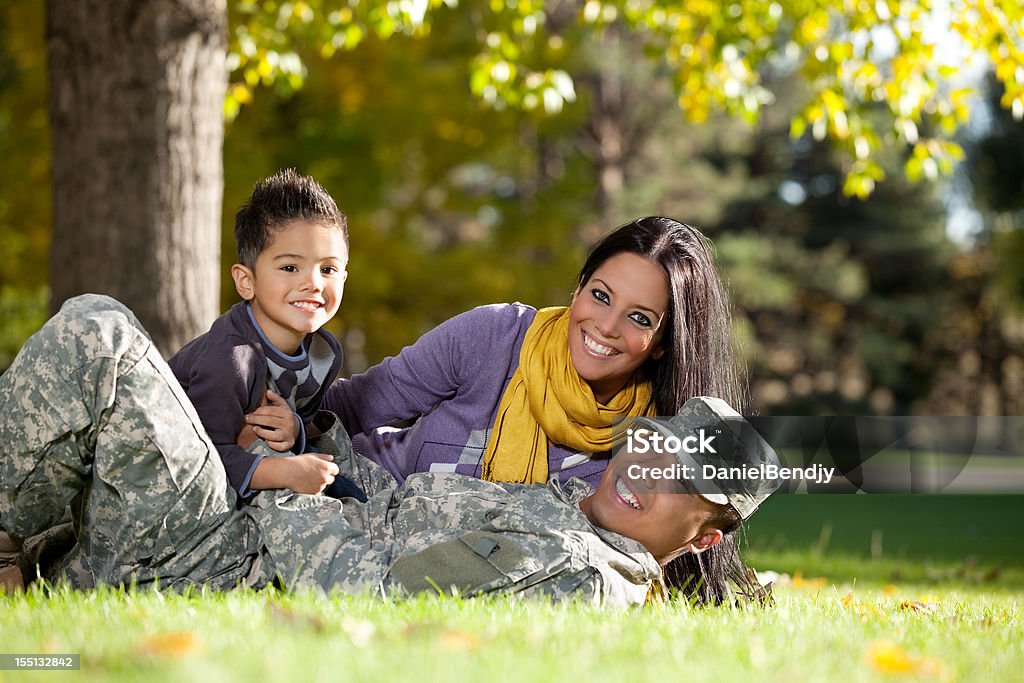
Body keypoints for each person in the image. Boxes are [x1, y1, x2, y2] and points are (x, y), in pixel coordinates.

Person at [0, 295, 779, 604]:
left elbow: (363, 589)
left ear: (704, 535)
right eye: (650, 447)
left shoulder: (576, 568)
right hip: (251, 507)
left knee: (99, 331)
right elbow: (384, 490)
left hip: (225, 550)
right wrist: (295, 437)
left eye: (681, 479)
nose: (645, 472)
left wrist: (281, 482)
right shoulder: (562, 500)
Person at [320, 216, 748, 600]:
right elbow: (347, 407)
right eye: (600, 295)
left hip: (447, 572)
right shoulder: (494, 337)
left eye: (640, 318)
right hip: (353, 500)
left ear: (662, 345)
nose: (606, 325)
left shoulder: (645, 454)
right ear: (578, 287)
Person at [168, 169, 361, 501]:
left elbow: (299, 418)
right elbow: (199, 460)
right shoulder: (229, 359)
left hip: (254, 459)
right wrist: (287, 471)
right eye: (290, 268)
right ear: (246, 281)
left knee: (354, 495)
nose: (314, 283)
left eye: (328, 269)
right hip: (177, 482)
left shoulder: (323, 354)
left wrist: (295, 430)